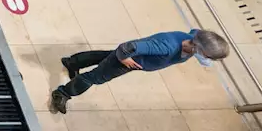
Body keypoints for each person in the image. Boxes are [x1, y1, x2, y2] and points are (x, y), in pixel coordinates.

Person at [50, 29, 229, 114]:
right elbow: (127, 47)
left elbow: (194, 31)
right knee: (95, 77)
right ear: (199, 47)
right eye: (209, 56)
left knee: (106, 56)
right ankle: (62, 93)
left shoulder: (193, 38)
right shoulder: (166, 47)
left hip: (137, 59)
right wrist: (124, 58)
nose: (208, 60)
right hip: (129, 60)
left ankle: (72, 62)